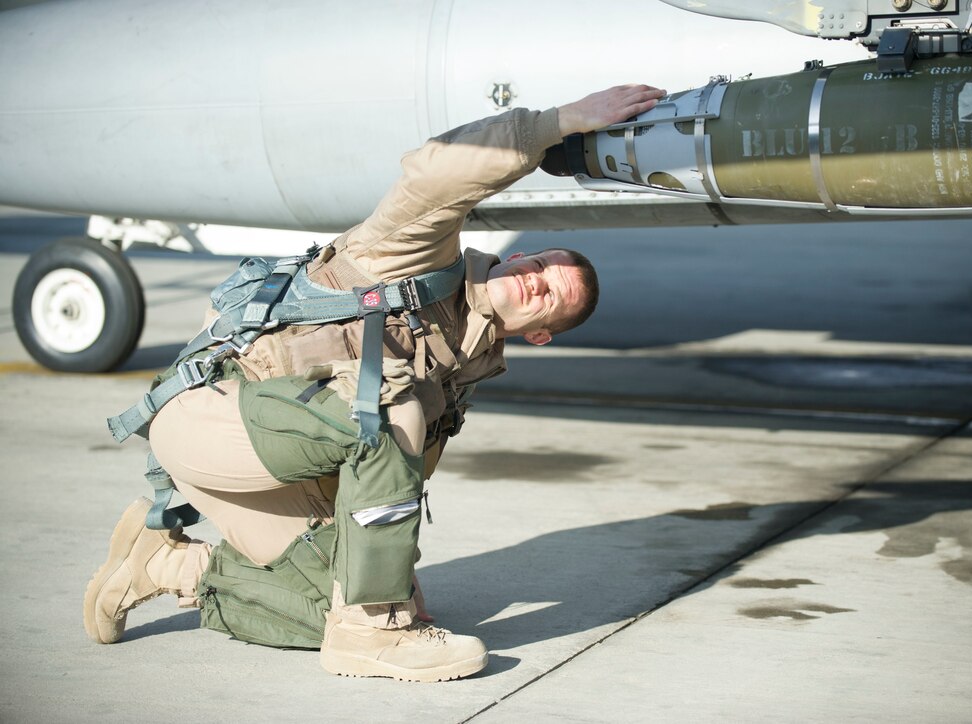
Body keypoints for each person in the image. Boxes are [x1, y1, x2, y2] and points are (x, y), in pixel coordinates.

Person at [82, 83, 666, 682]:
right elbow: (435, 173)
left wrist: (389, 579)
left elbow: (384, 483)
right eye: (542, 266)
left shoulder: (463, 368)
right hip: (213, 415)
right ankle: (371, 635)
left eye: (551, 299)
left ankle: (163, 567)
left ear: (540, 334)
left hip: (286, 466)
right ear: (524, 256)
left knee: (329, 603)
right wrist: (554, 123)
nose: (537, 282)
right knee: (388, 406)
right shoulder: (417, 259)